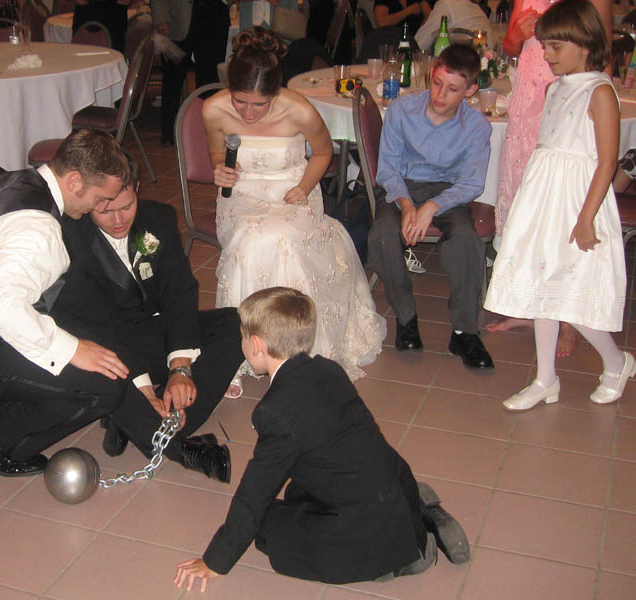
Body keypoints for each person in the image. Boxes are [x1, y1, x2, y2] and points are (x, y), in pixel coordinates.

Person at [174, 287, 470, 592]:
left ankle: (405, 558)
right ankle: (417, 509)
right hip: (393, 483)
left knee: (268, 530)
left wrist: (215, 560)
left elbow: (255, 493)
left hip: (368, 526)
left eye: (242, 338)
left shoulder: (275, 411)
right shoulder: (327, 369)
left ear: (258, 345)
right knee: (296, 496)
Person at [0, 130, 139, 478]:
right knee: (106, 387)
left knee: (69, 322)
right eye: (100, 198)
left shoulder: (3, 181)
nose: (100, 208)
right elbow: (1, 307)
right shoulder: (37, 227)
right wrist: (71, 349)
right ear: (75, 180)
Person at [202, 27, 386, 386]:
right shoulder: (213, 110)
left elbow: (322, 152)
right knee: (251, 241)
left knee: (283, 239)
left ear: (276, 93)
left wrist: (304, 187)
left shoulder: (299, 109)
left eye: (259, 104)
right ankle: (239, 351)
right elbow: (215, 151)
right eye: (240, 102)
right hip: (242, 194)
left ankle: (292, 351)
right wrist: (220, 169)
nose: (248, 112)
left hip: (293, 189)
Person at [50, 153, 243, 481]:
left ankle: (153, 418)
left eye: (126, 207)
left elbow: (179, 291)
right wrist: (143, 387)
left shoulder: (159, 217)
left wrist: (180, 368)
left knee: (237, 323)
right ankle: (176, 445)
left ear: (137, 188)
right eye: (104, 210)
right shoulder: (70, 235)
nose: (117, 220)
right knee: (102, 374)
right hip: (106, 340)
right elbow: (98, 323)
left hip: (152, 330)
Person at [485, 0, 632, 411]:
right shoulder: (555, 87)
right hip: (545, 200)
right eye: (545, 45)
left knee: (574, 292)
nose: (546, 55)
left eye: (554, 47)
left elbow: (607, 162)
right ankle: (545, 378)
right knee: (542, 286)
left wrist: (586, 218)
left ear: (584, 44)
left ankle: (616, 361)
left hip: (578, 202)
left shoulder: (599, 92)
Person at [368, 43, 494, 369]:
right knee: (383, 233)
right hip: (402, 186)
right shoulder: (401, 110)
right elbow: (387, 171)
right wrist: (407, 205)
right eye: (436, 83)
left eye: (452, 89)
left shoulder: (477, 126)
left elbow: (471, 183)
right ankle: (406, 318)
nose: (440, 94)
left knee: (466, 240)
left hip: (447, 192)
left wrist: (432, 206)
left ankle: (464, 331)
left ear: (470, 91)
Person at [151, 0, 230, 146]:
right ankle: (169, 131)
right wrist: (160, 17)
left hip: (215, 16)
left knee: (210, 80)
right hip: (177, 19)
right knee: (172, 78)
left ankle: (206, 130)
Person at [414, 0, 491, 52]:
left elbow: (418, 44)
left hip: (463, 65)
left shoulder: (447, 4)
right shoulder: (478, 9)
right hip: (485, 64)